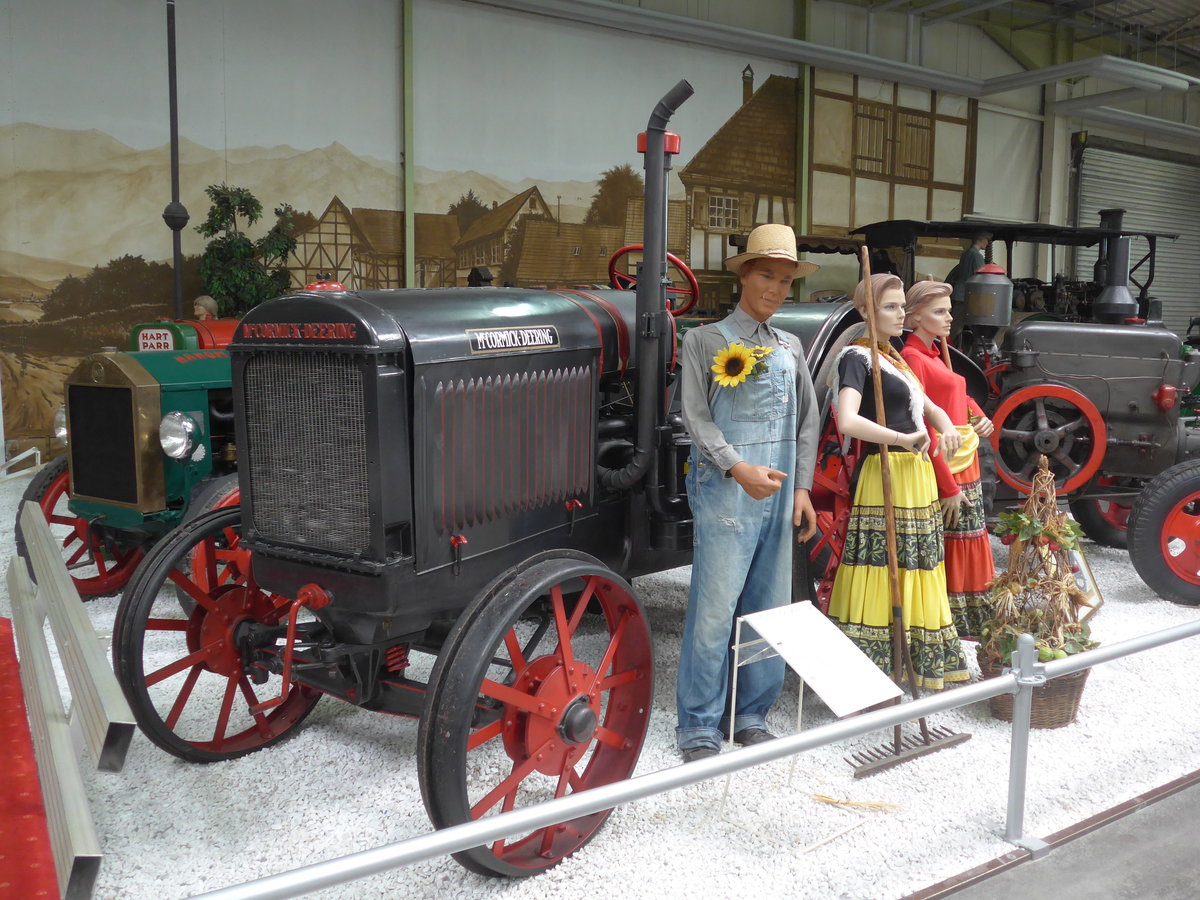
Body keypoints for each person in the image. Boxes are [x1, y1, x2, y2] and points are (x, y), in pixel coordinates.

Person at [677, 224, 821, 762]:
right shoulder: (705, 340)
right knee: (714, 607)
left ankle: (751, 714)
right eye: (768, 275)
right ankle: (697, 726)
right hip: (725, 490)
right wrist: (738, 469)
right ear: (744, 274)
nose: (777, 288)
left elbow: (807, 422)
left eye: (786, 280)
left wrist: (802, 487)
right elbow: (695, 418)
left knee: (769, 603)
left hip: (781, 489)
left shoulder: (791, 346)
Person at [826, 273, 969, 690]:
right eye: (890, 306)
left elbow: (928, 406)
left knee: (917, 562)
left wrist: (947, 426)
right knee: (883, 564)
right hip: (886, 468)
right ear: (866, 312)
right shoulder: (857, 357)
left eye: (901, 306)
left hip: (915, 472)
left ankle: (913, 661)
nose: (900, 313)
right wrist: (901, 438)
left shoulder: (894, 358)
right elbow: (848, 419)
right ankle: (876, 666)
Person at [901, 281, 996, 639]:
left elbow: (957, 392)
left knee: (967, 535)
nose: (949, 318)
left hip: (962, 452)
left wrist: (976, 413)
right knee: (956, 538)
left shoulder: (935, 353)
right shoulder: (913, 357)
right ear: (915, 316)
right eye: (939, 311)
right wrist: (948, 484)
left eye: (949, 310)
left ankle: (968, 618)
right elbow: (923, 421)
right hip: (948, 460)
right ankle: (955, 620)